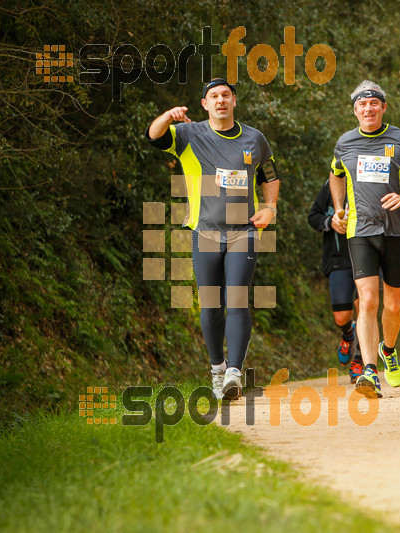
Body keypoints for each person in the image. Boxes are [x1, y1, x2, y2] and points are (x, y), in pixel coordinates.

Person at [146, 78, 280, 400]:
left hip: (243, 231)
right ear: (205, 104)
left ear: (234, 100)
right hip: (203, 230)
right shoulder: (189, 135)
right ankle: (217, 369)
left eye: (225, 95)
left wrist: (270, 208)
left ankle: (235, 371)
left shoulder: (254, 138)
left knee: (236, 298)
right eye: (213, 96)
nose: (220, 100)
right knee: (211, 306)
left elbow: (270, 176)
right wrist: (168, 116)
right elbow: (153, 137)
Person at [330, 80, 400, 398]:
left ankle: (388, 349)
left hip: (397, 230)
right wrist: (338, 209)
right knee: (369, 300)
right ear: (355, 110)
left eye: (374, 103)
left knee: (393, 303)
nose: (368, 108)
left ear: (383, 107)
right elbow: (335, 173)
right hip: (360, 231)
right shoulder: (344, 142)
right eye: (362, 104)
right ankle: (370, 373)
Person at [308, 178, 365, 383]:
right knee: (342, 317)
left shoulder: (376, 177)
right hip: (338, 257)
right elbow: (313, 216)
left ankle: (359, 362)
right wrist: (330, 222)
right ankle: (348, 335)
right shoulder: (333, 182)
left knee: (364, 306)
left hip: (368, 256)